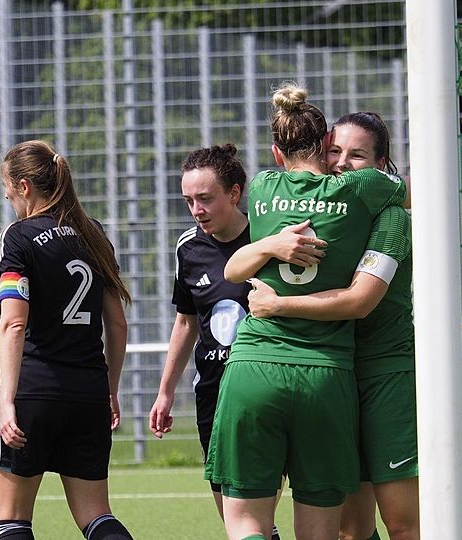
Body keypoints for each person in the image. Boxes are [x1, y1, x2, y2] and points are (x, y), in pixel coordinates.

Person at [204, 83, 406, 540]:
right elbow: (404, 186)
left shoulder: (261, 185)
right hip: (327, 375)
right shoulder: (361, 191)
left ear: (277, 152)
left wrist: (272, 253)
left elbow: (234, 270)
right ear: (325, 146)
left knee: (246, 523)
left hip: (255, 365)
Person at [0, 140, 134, 540]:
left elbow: (13, 325)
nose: (8, 200)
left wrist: (5, 400)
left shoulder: (17, 237)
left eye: (8, 191)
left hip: (34, 390)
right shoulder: (94, 234)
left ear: (24, 186)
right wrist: (111, 391)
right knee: (97, 517)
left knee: (13, 520)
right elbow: (117, 323)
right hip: (88, 393)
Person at [147, 144, 281, 540]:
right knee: (235, 519)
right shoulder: (188, 247)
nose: (196, 209)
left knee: (258, 515)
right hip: (213, 393)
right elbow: (186, 322)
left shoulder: (268, 239)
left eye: (205, 199)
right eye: (189, 200)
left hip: (265, 389)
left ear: (235, 194)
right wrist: (165, 391)